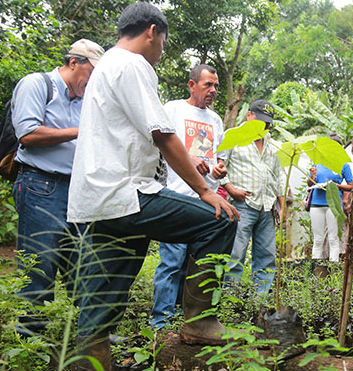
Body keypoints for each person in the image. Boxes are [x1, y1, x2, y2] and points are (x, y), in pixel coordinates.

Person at [66, 3, 238, 369]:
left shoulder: (106, 66)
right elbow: (161, 133)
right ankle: (198, 322)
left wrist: (189, 164)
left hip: (96, 199)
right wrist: (205, 190)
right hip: (127, 193)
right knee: (220, 219)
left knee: (110, 281)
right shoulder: (132, 64)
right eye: (162, 43)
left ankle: (90, 356)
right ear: (152, 32)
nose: (160, 53)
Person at [11, 38, 104, 335]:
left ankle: (90, 334)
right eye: (91, 73)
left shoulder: (85, 101)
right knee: (39, 265)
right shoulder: (37, 85)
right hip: (40, 185)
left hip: (77, 190)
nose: (91, 82)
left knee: (84, 264)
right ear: (74, 62)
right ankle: (31, 340)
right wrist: (81, 130)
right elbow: (27, 132)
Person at [150, 64, 228, 329]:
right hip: (176, 193)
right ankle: (161, 322)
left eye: (216, 86)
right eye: (208, 85)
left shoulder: (216, 121)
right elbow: (159, 145)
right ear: (191, 85)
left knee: (196, 263)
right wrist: (189, 158)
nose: (213, 91)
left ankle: (189, 320)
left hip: (206, 199)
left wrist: (219, 171)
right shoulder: (172, 109)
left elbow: (217, 160)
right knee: (171, 262)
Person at [220, 100, 285, 293]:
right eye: (259, 121)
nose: (263, 126)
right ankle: (231, 299)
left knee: (267, 256)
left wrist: (282, 206)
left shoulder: (272, 143)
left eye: (267, 123)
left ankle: (260, 300)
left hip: (267, 207)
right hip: (242, 205)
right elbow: (221, 165)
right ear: (249, 115)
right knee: (236, 254)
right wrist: (230, 189)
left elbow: (277, 176)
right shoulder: (233, 137)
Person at [308, 134, 353, 262]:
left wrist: (337, 186)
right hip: (316, 203)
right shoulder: (317, 162)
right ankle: (315, 269)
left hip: (333, 204)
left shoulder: (344, 165)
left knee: (333, 238)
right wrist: (312, 176)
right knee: (318, 239)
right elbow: (310, 183)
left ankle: (333, 268)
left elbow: (351, 185)